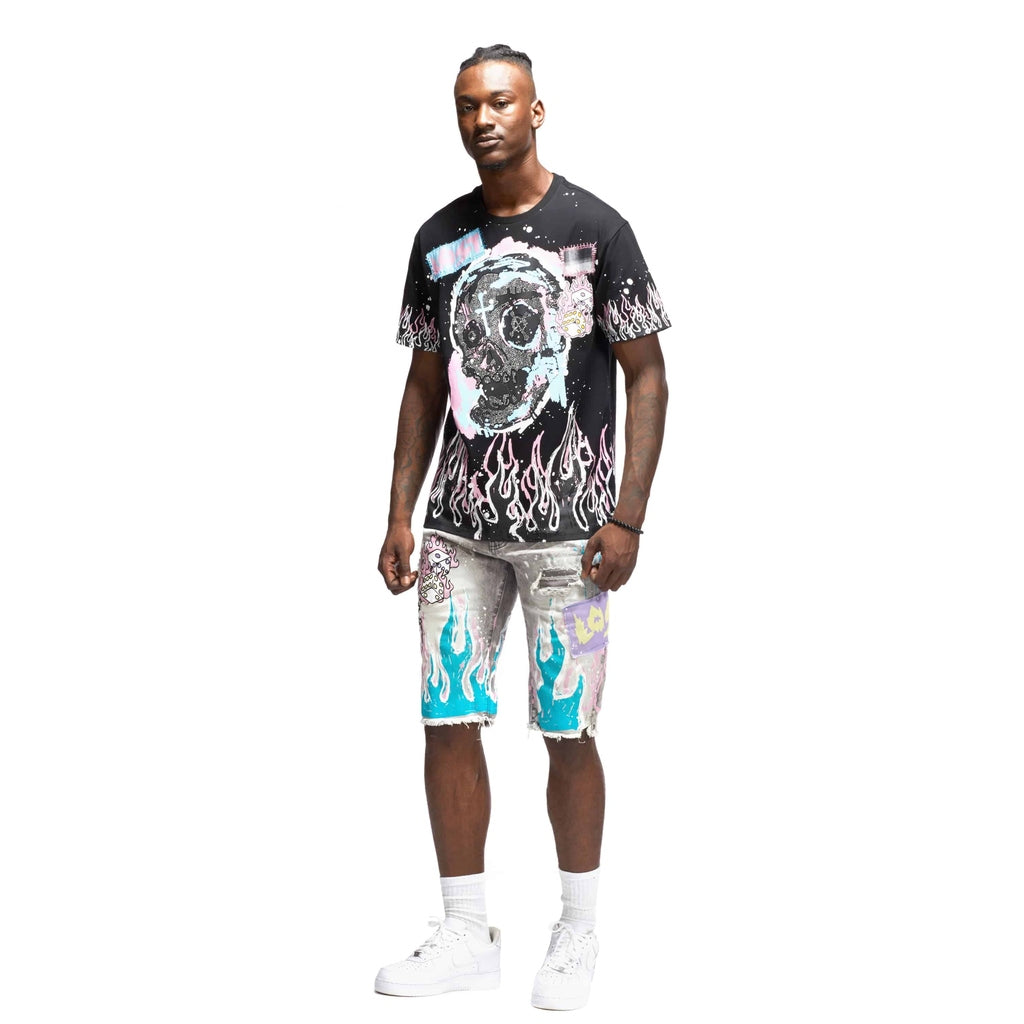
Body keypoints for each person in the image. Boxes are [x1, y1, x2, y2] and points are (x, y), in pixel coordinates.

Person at [374, 43, 670, 1011]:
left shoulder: (596, 230)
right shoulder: (438, 241)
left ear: (536, 110)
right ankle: (465, 929)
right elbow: (424, 385)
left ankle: (577, 929)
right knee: (446, 717)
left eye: (500, 101)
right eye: (468, 105)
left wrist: (628, 515)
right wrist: (399, 512)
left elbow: (648, 375)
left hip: (570, 536)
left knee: (567, 726)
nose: (483, 119)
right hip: (457, 530)